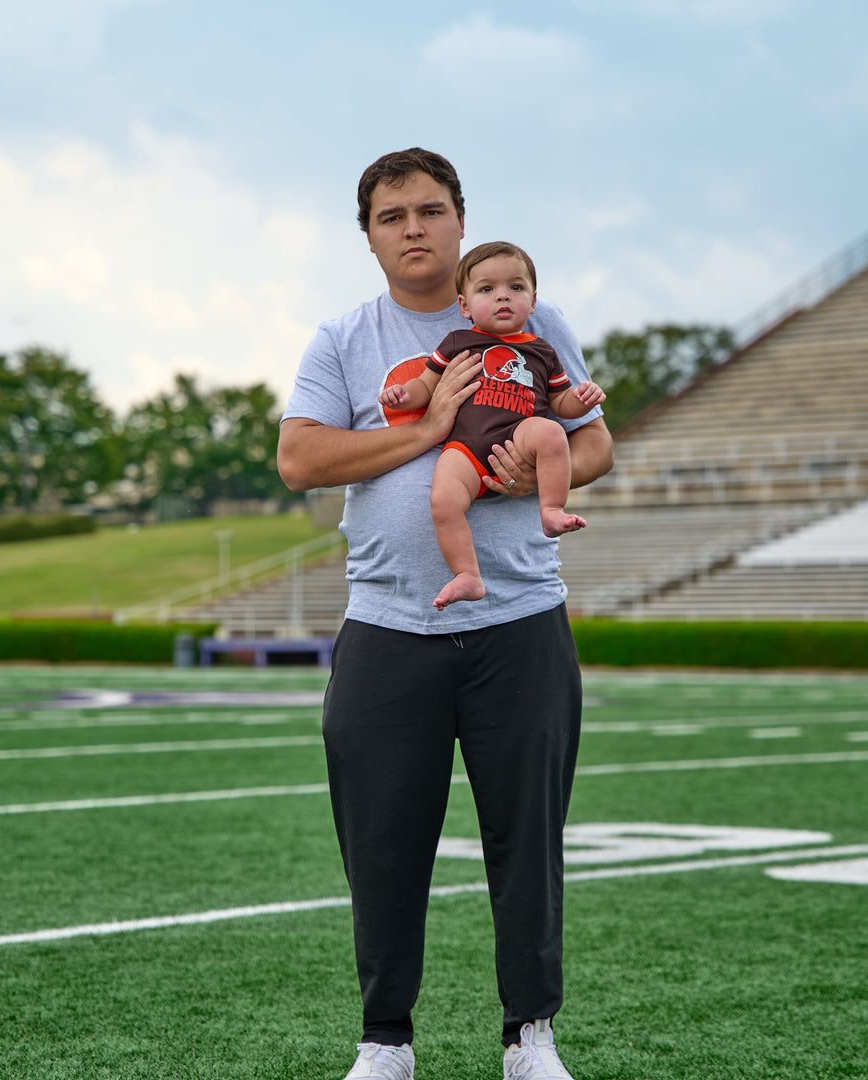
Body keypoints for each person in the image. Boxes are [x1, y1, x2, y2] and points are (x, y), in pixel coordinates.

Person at [277, 148, 614, 1080]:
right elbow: (300, 461)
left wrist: (538, 466)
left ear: (462, 221)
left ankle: (529, 1038)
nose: (414, 228)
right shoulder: (344, 339)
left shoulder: (531, 318)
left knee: (528, 837)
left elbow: (597, 446)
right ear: (371, 237)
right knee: (382, 843)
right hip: (388, 624)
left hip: (519, 618)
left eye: (431, 210)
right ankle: (386, 1041)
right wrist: (427, 433)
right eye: (394, 217)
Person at [377, 240, 607, 611]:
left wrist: (581, 397)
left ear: (533, 302)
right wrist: (404, 394)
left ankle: (550, 510)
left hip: (519, 437)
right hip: (466, 446)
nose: (503, 297)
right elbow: (426, 385)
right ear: (464, 306)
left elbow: (561, 404)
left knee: (550, 432)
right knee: (443, 500)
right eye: (487, 289)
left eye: (516, 287)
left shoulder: (542, 350)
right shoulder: (457, 342)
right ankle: (467, 575)